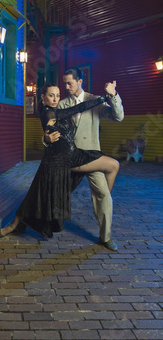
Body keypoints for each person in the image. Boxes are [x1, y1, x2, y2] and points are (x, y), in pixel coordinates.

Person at [0, 82, 119, 242]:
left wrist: (103, 98)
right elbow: (57, 118)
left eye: (58, 95)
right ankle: (12, 225)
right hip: (59, 161)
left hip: (72, 155)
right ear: (43, 97)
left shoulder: (56, 111)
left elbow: (74, 113)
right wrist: (46, 136)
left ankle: (105, 198)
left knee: (113, 165)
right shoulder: (47, 112)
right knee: (36, 196)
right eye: (51, 95)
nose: (55, 98)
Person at [54, 67, 124, 251]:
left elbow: (118, 117)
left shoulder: (95, 101)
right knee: (57, 190)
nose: (67, 86)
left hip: (91, 157)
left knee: (102, 193)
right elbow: (55, 130)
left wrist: (113, 95)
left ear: (80, 81)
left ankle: (105, 237)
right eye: (65, 83)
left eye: (70, 82)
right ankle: (51, 219)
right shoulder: (62, 104)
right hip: (69, 157)